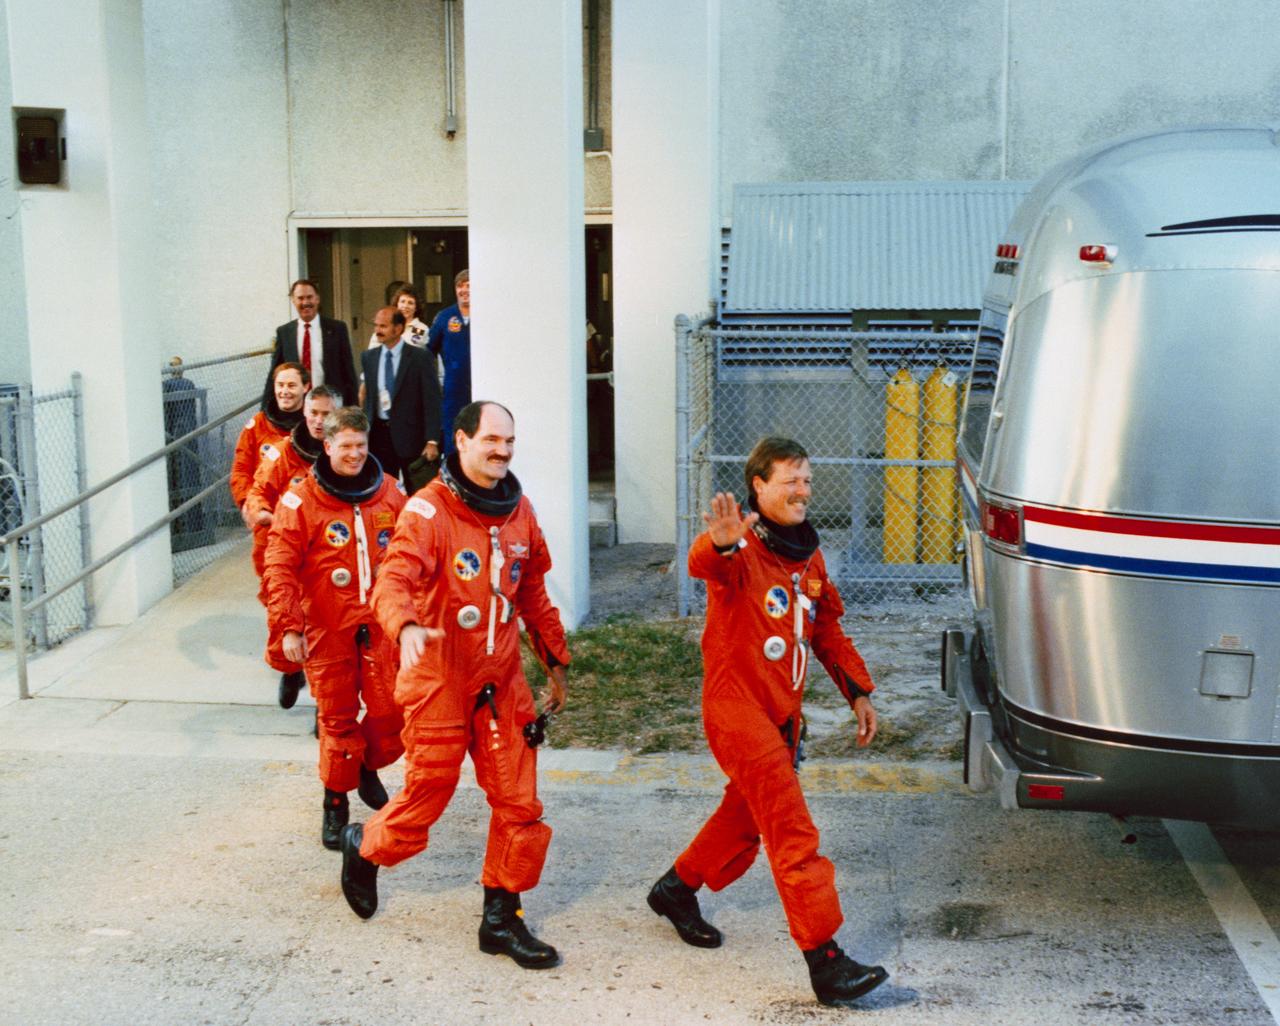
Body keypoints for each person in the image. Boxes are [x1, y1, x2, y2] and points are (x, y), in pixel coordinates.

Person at [646, 437, 889, 1008]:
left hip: (782, 715)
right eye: (790, 480)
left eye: (807, 480)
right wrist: (722, 544)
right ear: (759, 485)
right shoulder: (739, 551)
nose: (803, 490)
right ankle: (825, 958)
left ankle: (675, 890)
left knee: (744, 816)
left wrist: (858, 691)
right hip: (737, 710)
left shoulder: (808, 555)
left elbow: (826, 630)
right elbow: (705, 561)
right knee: (791, 828)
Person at [338, 400, 570, 972]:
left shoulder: (519, 513)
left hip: (500, 681)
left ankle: (500, 920)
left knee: (520, 804)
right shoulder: (428, 511)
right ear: (461, 441)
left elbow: (533, 592)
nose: (502, 450)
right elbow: (393, 579)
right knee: (427, 798)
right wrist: (407, 624)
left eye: (509, 441)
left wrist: (556, 664)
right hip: (440, 676)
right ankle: (363, 847)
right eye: (491, 439)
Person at [261, 406, 407, 850]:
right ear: (327, 446)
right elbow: (279, 565)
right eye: (345, 446)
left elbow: (413, 555)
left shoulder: (390, 494)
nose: (355, 455)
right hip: (327, 624)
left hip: (380, 623)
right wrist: (289, 625)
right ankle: (335, 801)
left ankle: (364, 763)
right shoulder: (301, 501)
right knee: (337, 718)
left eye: (361, 446)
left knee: (395, 709)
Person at [244, 385, 337, 709]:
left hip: (330, 551)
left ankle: (323, 705)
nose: (319, 420)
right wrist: (263, 514)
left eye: (327, 414)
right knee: (284, 611)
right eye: (314, 413)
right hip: (290, 546)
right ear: (305, 413)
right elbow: (258, 491)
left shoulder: (346, 453)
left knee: (328, 627)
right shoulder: (283, 452)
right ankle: (290, 668)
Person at [360, 306, 441, 485]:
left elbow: (432, 401)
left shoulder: (420, 358)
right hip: (378, 437)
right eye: (376, 326)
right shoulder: (369, 357)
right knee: (383, 493)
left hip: (412, 438)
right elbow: (369, 401)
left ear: (398, 329)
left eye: (383, 326)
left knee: (417, 492)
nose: (377, 331)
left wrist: (432, 440)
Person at [264, 279, 357, 407]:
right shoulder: (284, 332)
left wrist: (353, 406)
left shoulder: (337, 329)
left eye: (309, 297)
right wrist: (264, 408)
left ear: (317, 299)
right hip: (297, 404)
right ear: (293, 301)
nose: (306, 302)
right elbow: (274, 373)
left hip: (329, 404)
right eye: (300, 298)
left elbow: (348, 371)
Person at [231, 362, 307, 517]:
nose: (284, 391)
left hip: (303, 517)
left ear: (305, 387)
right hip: (266, 515)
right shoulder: (257, 425)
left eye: (291, 385)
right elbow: (240, 470)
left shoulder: (313, 426)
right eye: (280, 385)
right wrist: (249, 504)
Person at [427, 269, 471, 457]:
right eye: (460, 286)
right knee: (453, 433)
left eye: (469, 285)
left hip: (483, 383)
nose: (464, 290)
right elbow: (429, 349)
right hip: (454, 387)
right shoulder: (445, 316)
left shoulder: (488, 313)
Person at [368, 285, 428, 350]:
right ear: (397, 304)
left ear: (416, 308)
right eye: (402, 301)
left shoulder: (420, 329)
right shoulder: (385, 325)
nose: (405, 306)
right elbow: (373, 350)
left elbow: (414, 348)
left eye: (410, 303)